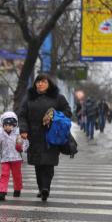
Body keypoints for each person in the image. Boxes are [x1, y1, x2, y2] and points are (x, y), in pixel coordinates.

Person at [19, 73, 72, 201]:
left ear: (49, 84)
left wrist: (54, 115)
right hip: (34, 135)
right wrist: (24, 129)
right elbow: (22, 115)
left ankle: (45, 188)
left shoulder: (58, 98)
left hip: (52, 135)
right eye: (38, 82)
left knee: (49, 164)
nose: (40, 84)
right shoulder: (29, 98)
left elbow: (68, 112)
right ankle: (40, 187)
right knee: (38, 164)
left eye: (43, 82)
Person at [0, 111, 28, 201]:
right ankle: (2, 192)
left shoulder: (18, 134)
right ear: (3, 125)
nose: (8, 127)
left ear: (14, 125)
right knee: (4, 174)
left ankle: (17, 189)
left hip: (16, 159)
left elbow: (26, 143)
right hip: (5, 159)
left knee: (17, 175)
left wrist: (22, 147)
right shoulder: (1, 135)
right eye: (6, 125)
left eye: (10, 125)